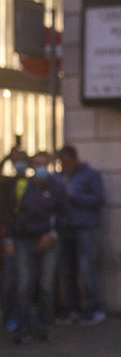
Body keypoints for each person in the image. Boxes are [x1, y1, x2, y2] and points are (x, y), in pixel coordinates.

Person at [3, 151, 66, 344]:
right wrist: (9, 239)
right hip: (23, 240)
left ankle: (42, 326)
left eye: (43, 164)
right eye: (36, 164)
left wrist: (53, 235)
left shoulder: (56, 187)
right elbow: (12, 214)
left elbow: (64, 214)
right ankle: (24, 326)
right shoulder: (22, 187)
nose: (39, 168)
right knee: (24, 285)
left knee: (46, 285)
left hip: (48, 240)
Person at [54, 145, 106, 326]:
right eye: (61, 163)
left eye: (67, 162)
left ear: (75, 159)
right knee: (67, 270)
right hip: (65, 228)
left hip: (85, 228)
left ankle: (93, 309)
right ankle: (72, 309)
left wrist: (74, 197)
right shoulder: (58, 177)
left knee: (86, 268)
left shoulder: (90, 175)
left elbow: (98, 199)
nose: (64, 166)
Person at [0, 146, 30, 333]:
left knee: (24, 280)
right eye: (16, 160)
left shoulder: (32, 182)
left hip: (27, 236)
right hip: (9, 234)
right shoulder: (7, 182)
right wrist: (5, 158)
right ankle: (9, 316)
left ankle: (23, 317)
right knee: (10, 278)